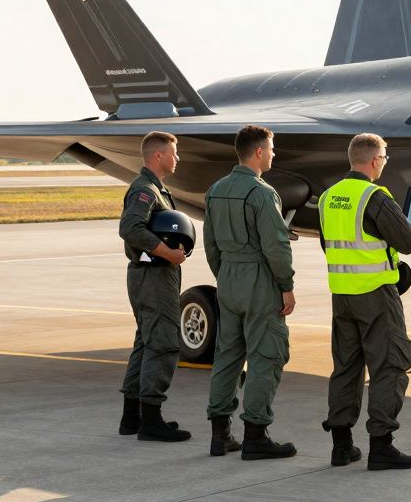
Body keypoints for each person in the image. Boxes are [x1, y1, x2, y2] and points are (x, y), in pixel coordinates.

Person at [320, 133, 411, 470]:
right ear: (374, 160)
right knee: (389, 366)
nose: (385, 162)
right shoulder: (374, 196)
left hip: (342, 295)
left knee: (346, 368)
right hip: (376, 295)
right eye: (385, 157)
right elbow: (408, 241)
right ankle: (381, 447)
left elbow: (329, 245)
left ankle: (341, 447)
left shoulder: (329, 196)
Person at [204, 125, 298, 460]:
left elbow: (210, 243)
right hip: (259, 280)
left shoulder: (216, 189)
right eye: (271, 148)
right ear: (258, 152)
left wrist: (225, 275)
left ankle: (220, 435)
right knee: (265, 356)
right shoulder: (261, 193)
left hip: (228, 278)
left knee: (227, 356)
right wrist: (285, 285)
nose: (273, 154)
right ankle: (256, 435)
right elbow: (276, 245)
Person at [117, 130, 191, 443]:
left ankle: (131, 417)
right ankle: (151, 419)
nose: (178, 159)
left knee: (146, 343)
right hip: (153, 276)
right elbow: (130, 228)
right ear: (158, 156)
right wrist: (167, 252)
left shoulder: (154, 188)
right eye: (174, 153)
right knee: (163, 343)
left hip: (149, 277)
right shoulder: (145, 190)